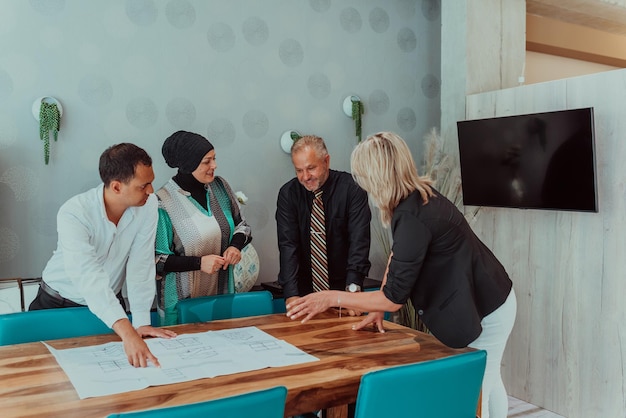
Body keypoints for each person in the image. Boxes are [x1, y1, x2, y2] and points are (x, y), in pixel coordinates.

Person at [286, 132, 517, 418]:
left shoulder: (412, 215)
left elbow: (393, 298)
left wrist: (330, 298)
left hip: (489, 305)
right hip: (488, 295)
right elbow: (398, 257)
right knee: (489, 381)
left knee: (480, 387)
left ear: (377, 175)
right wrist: (378, 310)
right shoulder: (413, 200)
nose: (361, 183)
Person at [29, 143, 176, 368]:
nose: (150, 190)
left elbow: (140, 263)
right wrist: (127, 332)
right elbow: (88, 275)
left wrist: (141, 322)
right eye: (143, 185)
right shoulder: (75, 213)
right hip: (56, 303)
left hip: (111, 306)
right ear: (117, 187)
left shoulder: (148, 206)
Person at [155, 131, 252, 325]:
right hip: (180, 303)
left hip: (221, 294)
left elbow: (243, 226)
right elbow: (158, 260)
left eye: (214, 159)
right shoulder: (163, 202)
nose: (214, 166)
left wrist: (234, 246)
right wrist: (199, 264)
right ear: (188, 164)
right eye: (207, 161)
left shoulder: (220, 187)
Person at [276, 134, 371, 313]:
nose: (305, 177)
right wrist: (291, 294)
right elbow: (288, 246)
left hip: (345, 291)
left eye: (311, 168)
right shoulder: (288, 194)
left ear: (326, 161)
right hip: (304, 293)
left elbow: (359, 243)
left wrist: (353, 292)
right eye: (299, 170)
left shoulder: (353, 189)